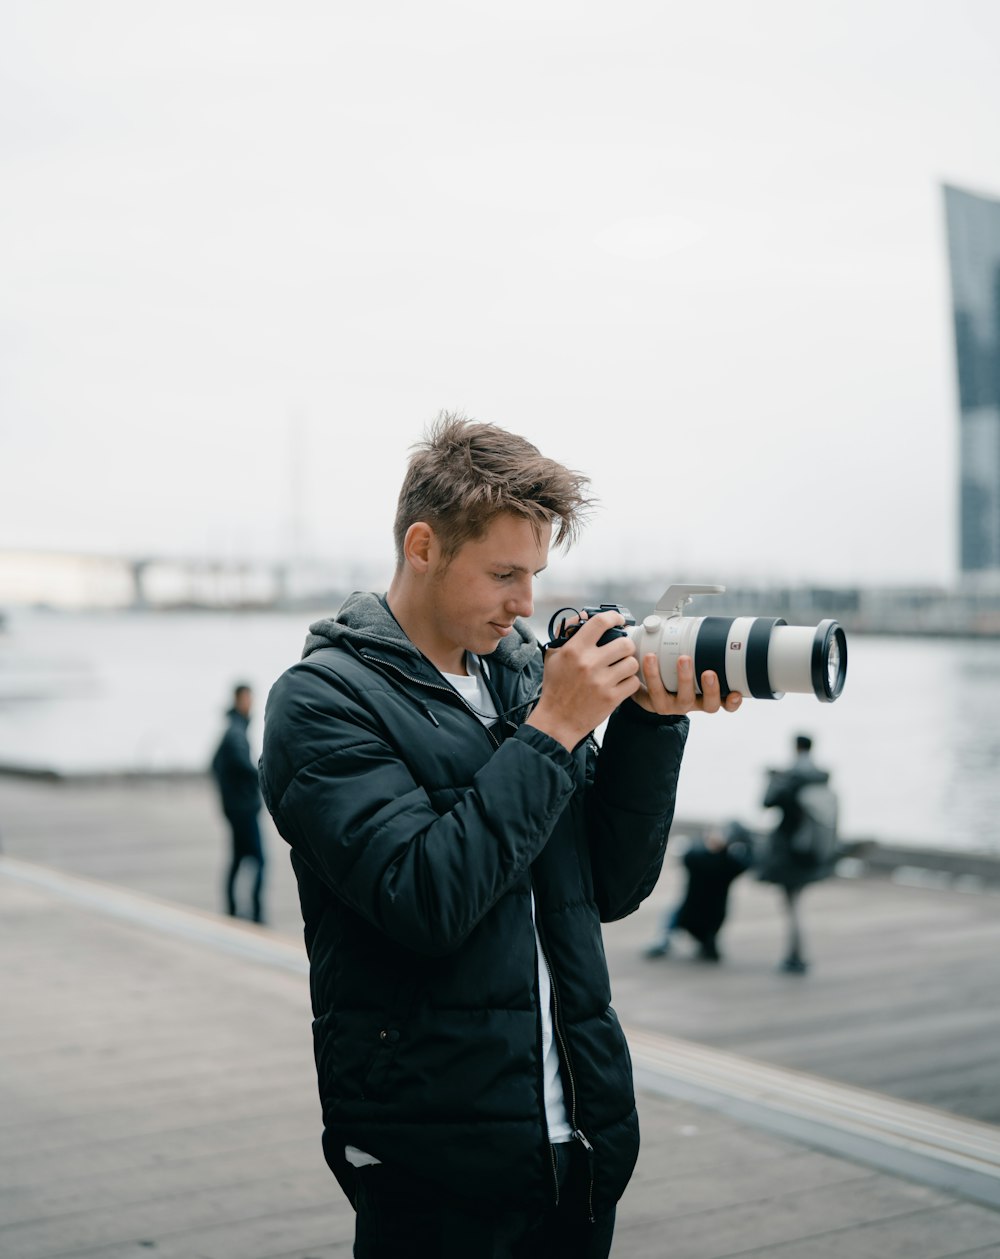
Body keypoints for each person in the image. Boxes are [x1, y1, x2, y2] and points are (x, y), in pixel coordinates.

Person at [258, 415, 742, 1258]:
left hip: (579, 1147)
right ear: (423, 545)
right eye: (505, 573)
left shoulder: (522, 674)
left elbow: (611, 889)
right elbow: (425, 900)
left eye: (538, 573)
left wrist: (647, 729)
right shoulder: (321, 701)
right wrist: (553, 731)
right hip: (430, 1163)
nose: (527, 601)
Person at [757, 734, 838, 973]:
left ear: (794, 747)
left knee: (791, 905)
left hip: (789, 852)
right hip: (811, 849)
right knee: (796, 904)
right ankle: (796, 954)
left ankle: (796, 956)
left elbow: (767, 802)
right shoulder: (820, 778)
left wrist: (772, 779)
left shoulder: (790, 778)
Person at [644, 822, 754, 962]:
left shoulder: (709, 860)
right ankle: (665, 940)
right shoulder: (728, 862)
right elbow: (746, 863)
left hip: (699, 914)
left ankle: (665, 941)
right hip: (705, 914)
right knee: (674, 919)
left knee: (675, 920)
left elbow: (688, 855)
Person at [210, 683, 265, 924]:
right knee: (259, 860)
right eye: (246, 698)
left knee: (238, 858)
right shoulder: (235, 732)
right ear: (237, 700)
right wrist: (264, 778)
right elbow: (245, 768)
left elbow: (214, 764)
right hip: (243, 809)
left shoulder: (233, 729)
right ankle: (256, 913)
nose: (250, 703)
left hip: (236, 808)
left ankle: (232, 909)